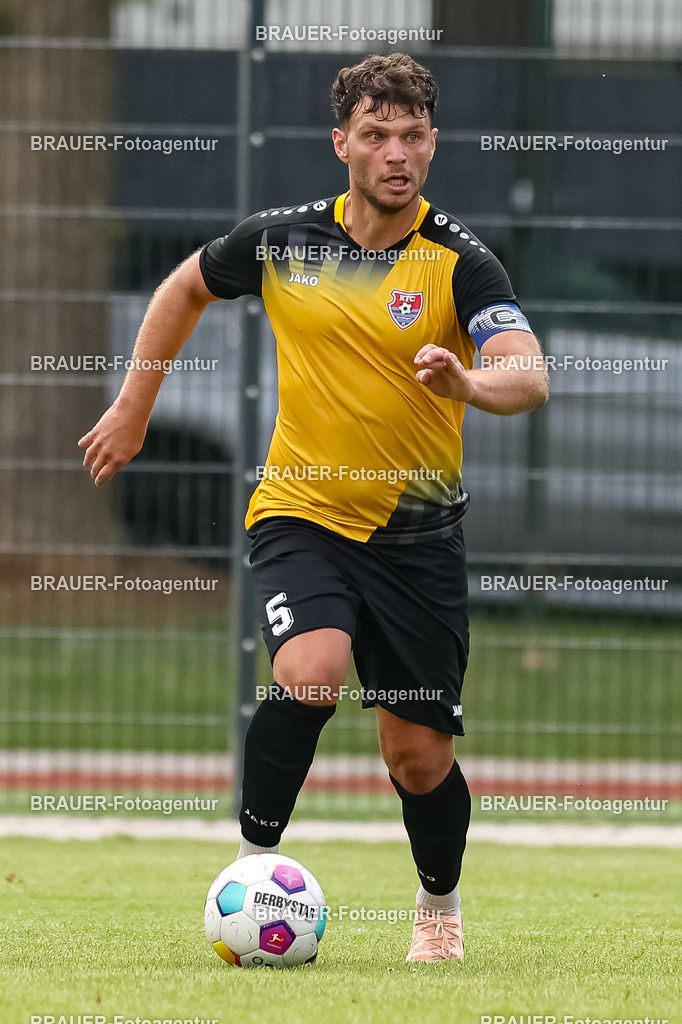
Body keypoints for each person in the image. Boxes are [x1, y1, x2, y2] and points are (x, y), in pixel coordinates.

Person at [79, 52, 548, 963]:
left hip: (419, 540)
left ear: (433, 143)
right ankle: (252, 875)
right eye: (376, 135)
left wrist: (469, 381)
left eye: (413, 136)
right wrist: (131, 407)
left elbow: (528, 375)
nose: (396, 153)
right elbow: (184, 288)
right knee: (312, 671)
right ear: (343, 145)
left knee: (418, 758)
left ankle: (438, 908)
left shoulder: (459, 261)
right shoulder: (284, 240)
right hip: (303, 515)